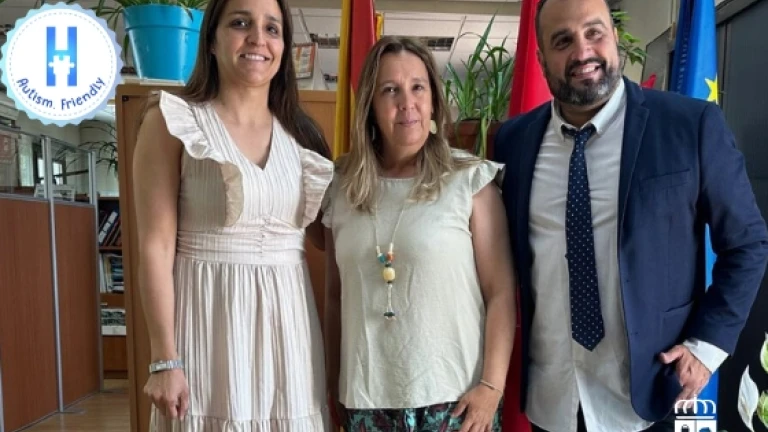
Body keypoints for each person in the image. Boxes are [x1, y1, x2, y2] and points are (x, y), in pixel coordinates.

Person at [492, 0, 768, 431]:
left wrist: (707, 345)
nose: (582, 51)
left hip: (653, 396)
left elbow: (747, 242)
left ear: (615, 38)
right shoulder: (513, 141)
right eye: (562, 41)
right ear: (542, 60)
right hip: (552, 400)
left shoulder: (689, 125)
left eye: (594, 32)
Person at [131, 0, 334, 429]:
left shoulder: (303, 135)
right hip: (205, 324)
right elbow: (155, 247)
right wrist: (164, 358)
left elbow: (333, 238)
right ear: (211, 40)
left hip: (289, 330)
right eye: (241, 23)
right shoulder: (173, 121)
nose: (258, 38)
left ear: (284, 47)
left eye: (272, 28)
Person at [321, 36, 517, 432]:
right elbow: (334, 297)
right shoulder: (340, 187)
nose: (406, 103)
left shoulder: (469, 180)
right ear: (370, 105)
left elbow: (500, 291)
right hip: (366, 402)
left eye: (417, 87)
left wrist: (492, 387)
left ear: (433, 100)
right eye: (390, 90)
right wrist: (332, 384)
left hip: (456, 404)